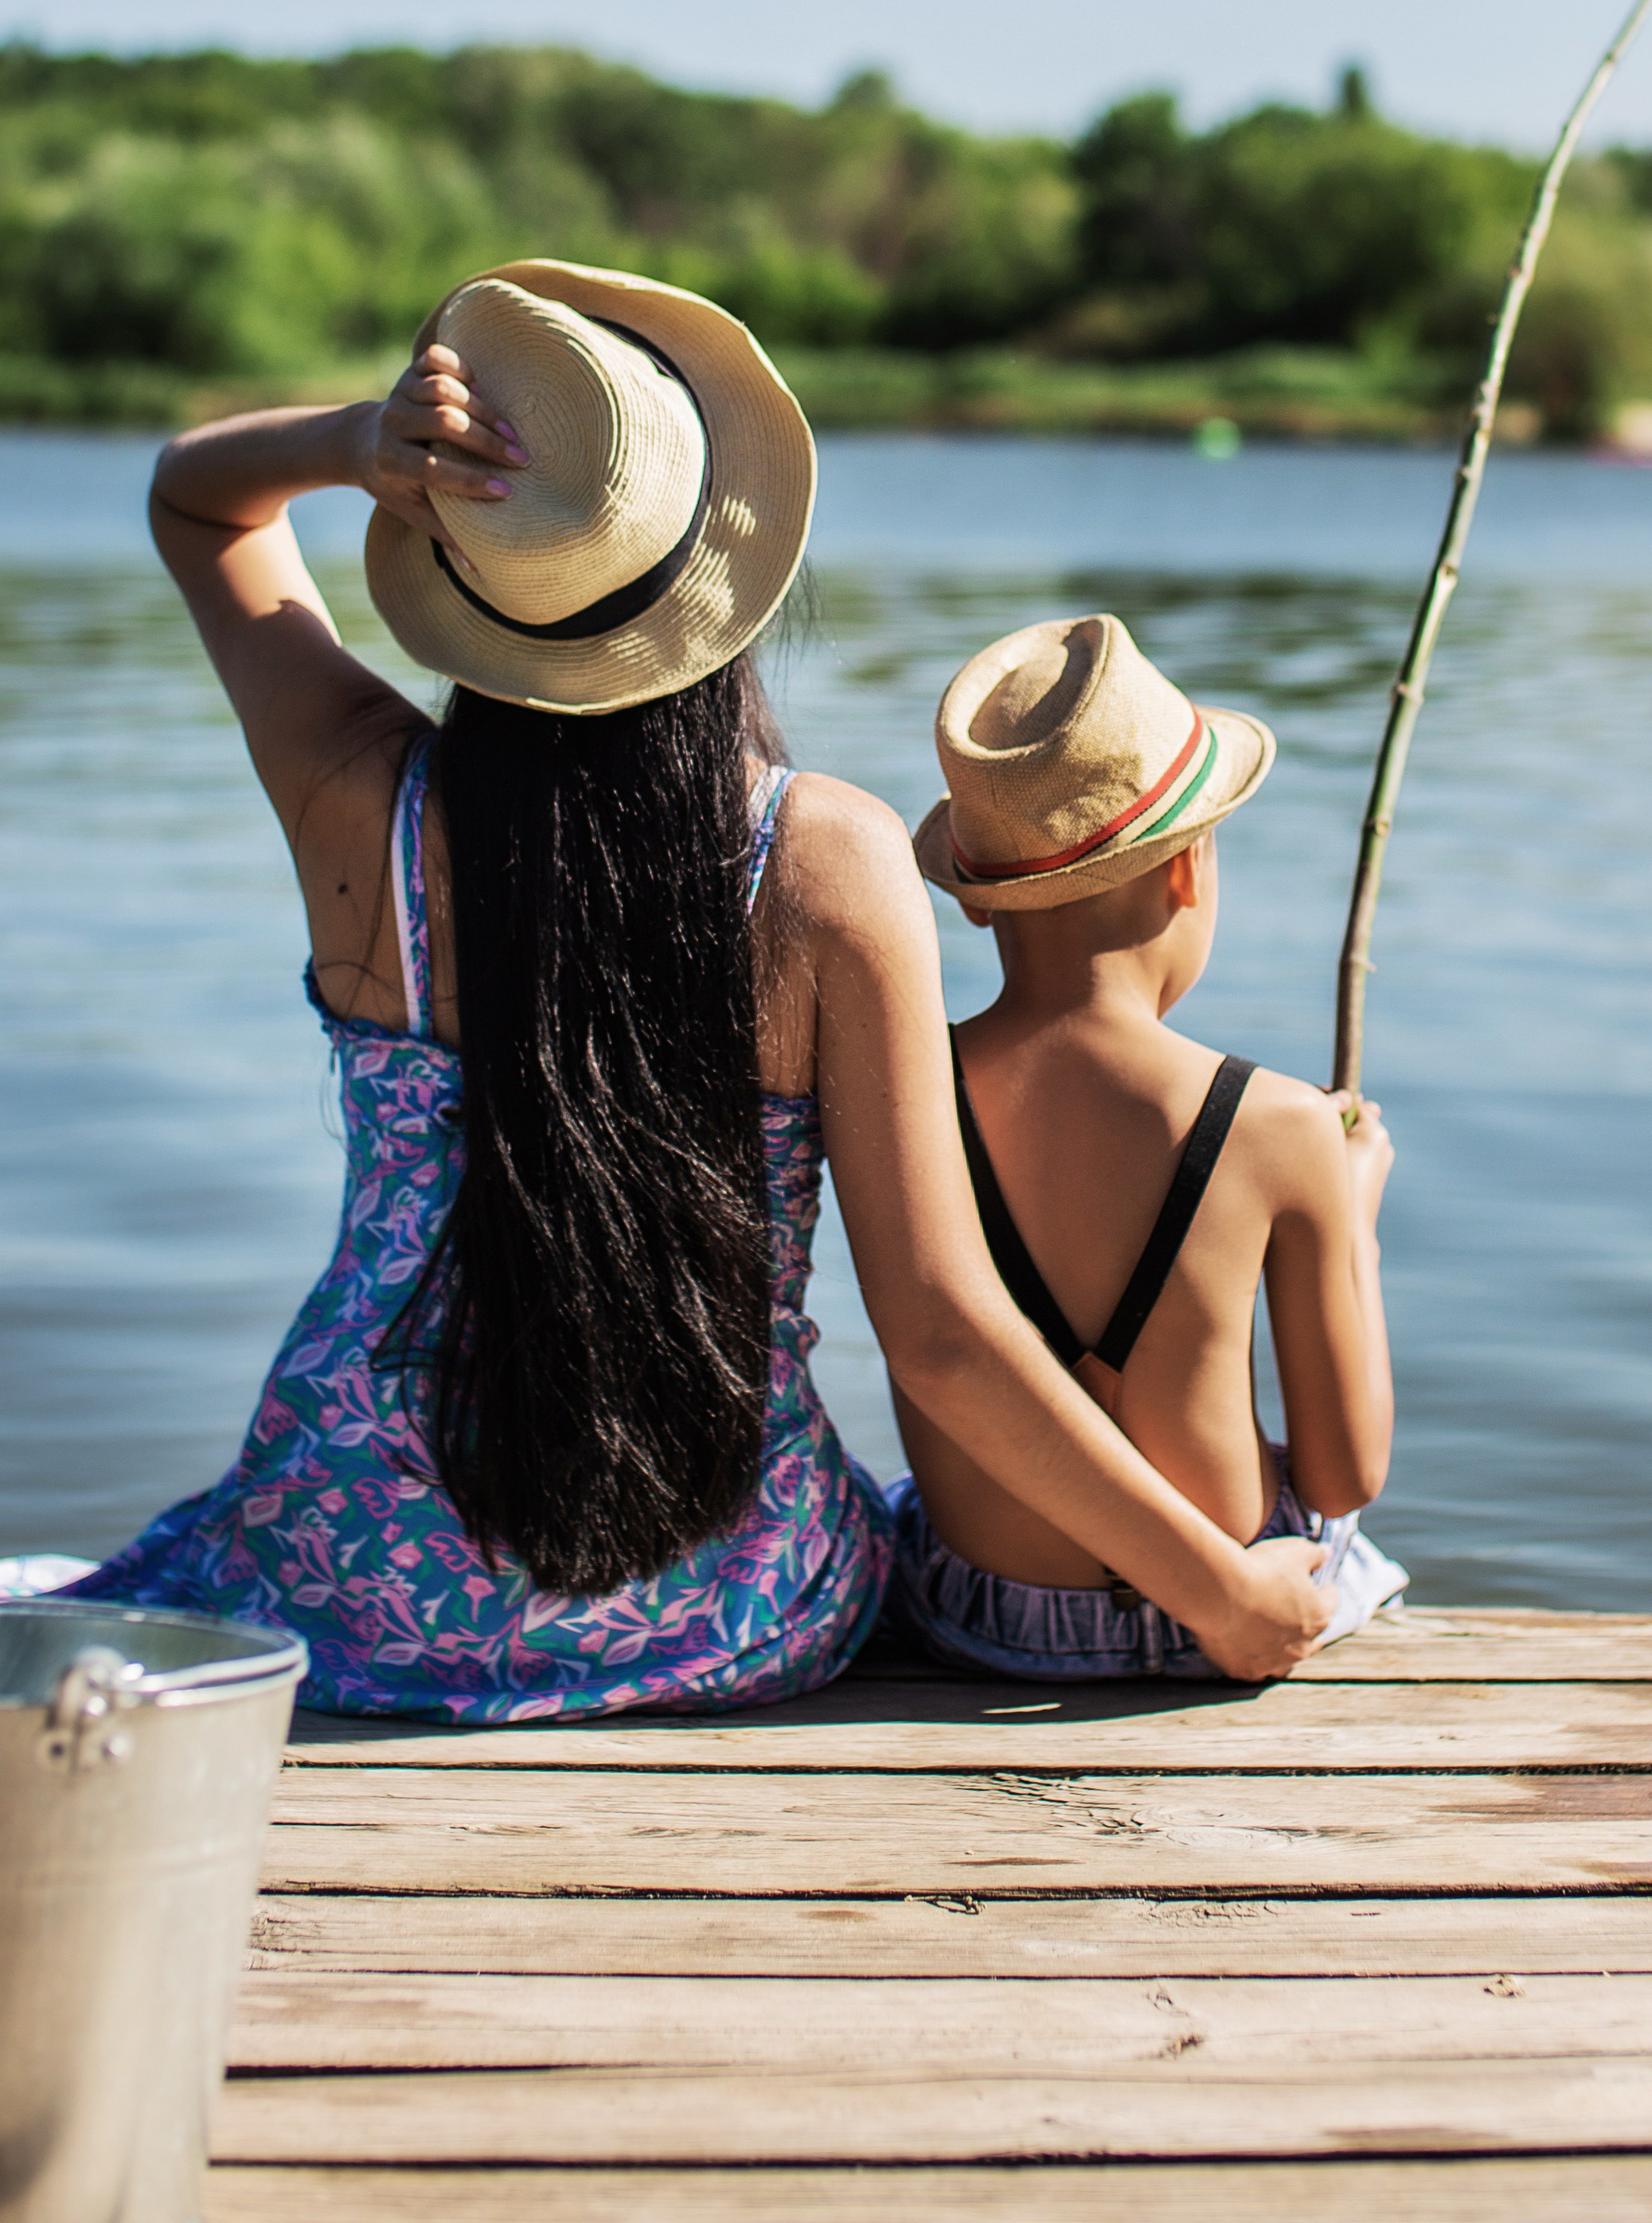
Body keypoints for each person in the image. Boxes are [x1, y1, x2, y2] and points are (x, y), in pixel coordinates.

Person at [36, 265, 1334, 1717]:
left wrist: (358, 442)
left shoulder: (357, 799)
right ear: (725, 564)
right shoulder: (830, 862)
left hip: (346, 1578)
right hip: (715, 1603)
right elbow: (940, 1332)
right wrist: (1223, 1594)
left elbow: (197, 503)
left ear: (462, 575)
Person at [885, 612, 1405, 1680]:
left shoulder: (908, 1091)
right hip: (1230, 1602)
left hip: (987, 1619)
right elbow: (1346, 1471)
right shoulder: (1280, 1124)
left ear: (980, 904)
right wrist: (1353, 1214)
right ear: (1188, 871)